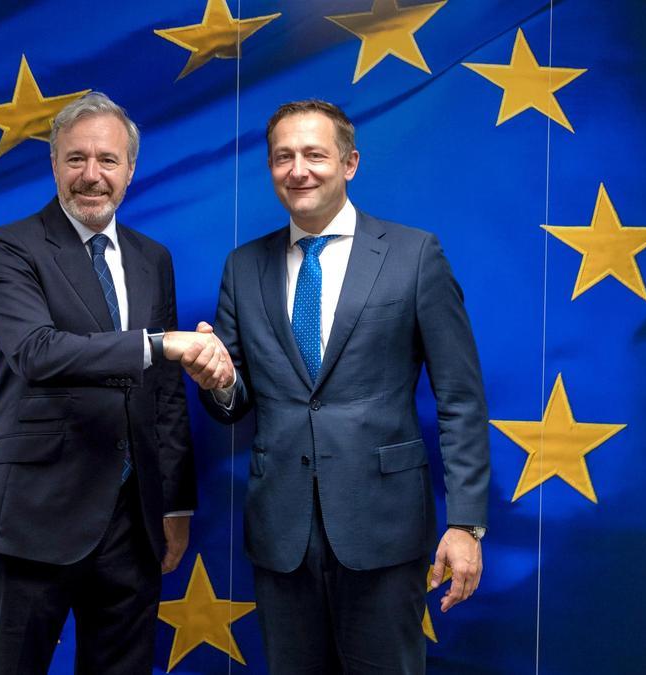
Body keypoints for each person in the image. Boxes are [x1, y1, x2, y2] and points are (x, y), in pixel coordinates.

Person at [195, 100, 491, 673]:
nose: (297, 169)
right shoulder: (242, 266)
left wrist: (465, 523)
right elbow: (233, 403)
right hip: (281, 534)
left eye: (314, 154)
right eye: (283, 157)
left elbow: (459, 396)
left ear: (350, 163)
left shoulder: (414, 255)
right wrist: (218, 382)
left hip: (383, 528)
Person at [0, 92, 222, 674]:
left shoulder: (151, 257)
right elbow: (37, 352)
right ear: (53, 164)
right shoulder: (9, 246)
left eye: (107, 161)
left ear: (130, 169)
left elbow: (163, 395)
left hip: (133, 525)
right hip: (33, 517)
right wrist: (159, 344)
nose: (91, 176)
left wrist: (176, 503)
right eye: (75, 159)